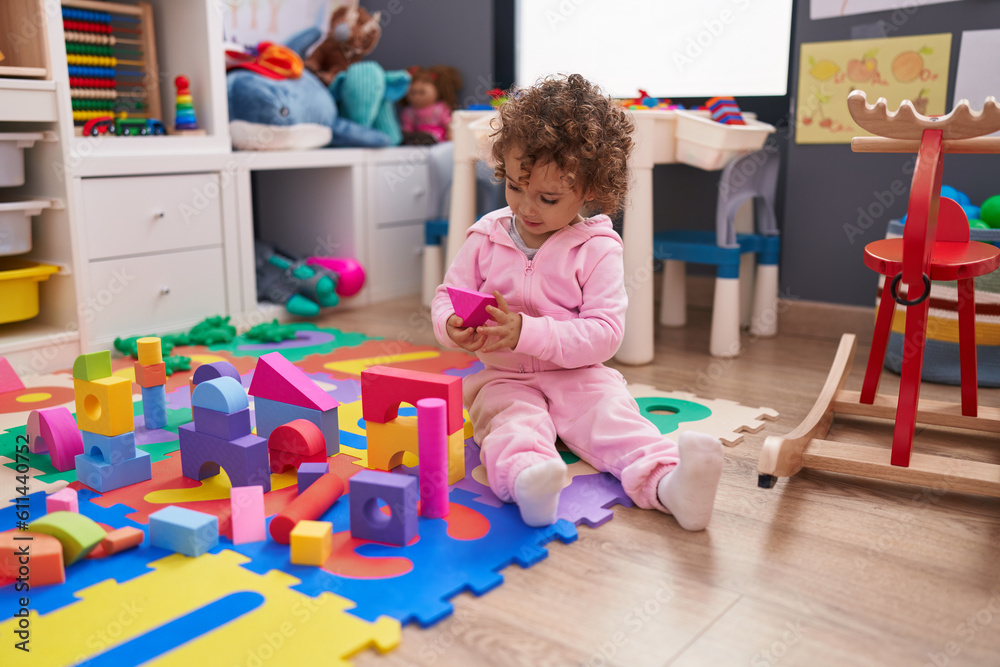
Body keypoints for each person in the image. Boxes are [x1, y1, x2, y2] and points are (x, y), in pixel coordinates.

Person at [431, 74, 724, 530]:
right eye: (513, 187)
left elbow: (604, 335)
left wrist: (526, 332)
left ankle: (672, 485)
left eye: (548, 197)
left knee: (615, 421)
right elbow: (448, 296)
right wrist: (451, 324)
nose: (526, 208)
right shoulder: (486, 235)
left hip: (580, 375)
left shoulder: (598, 247)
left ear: (589, 189)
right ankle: (531, 483)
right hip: (504, 376)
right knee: (509, 426)